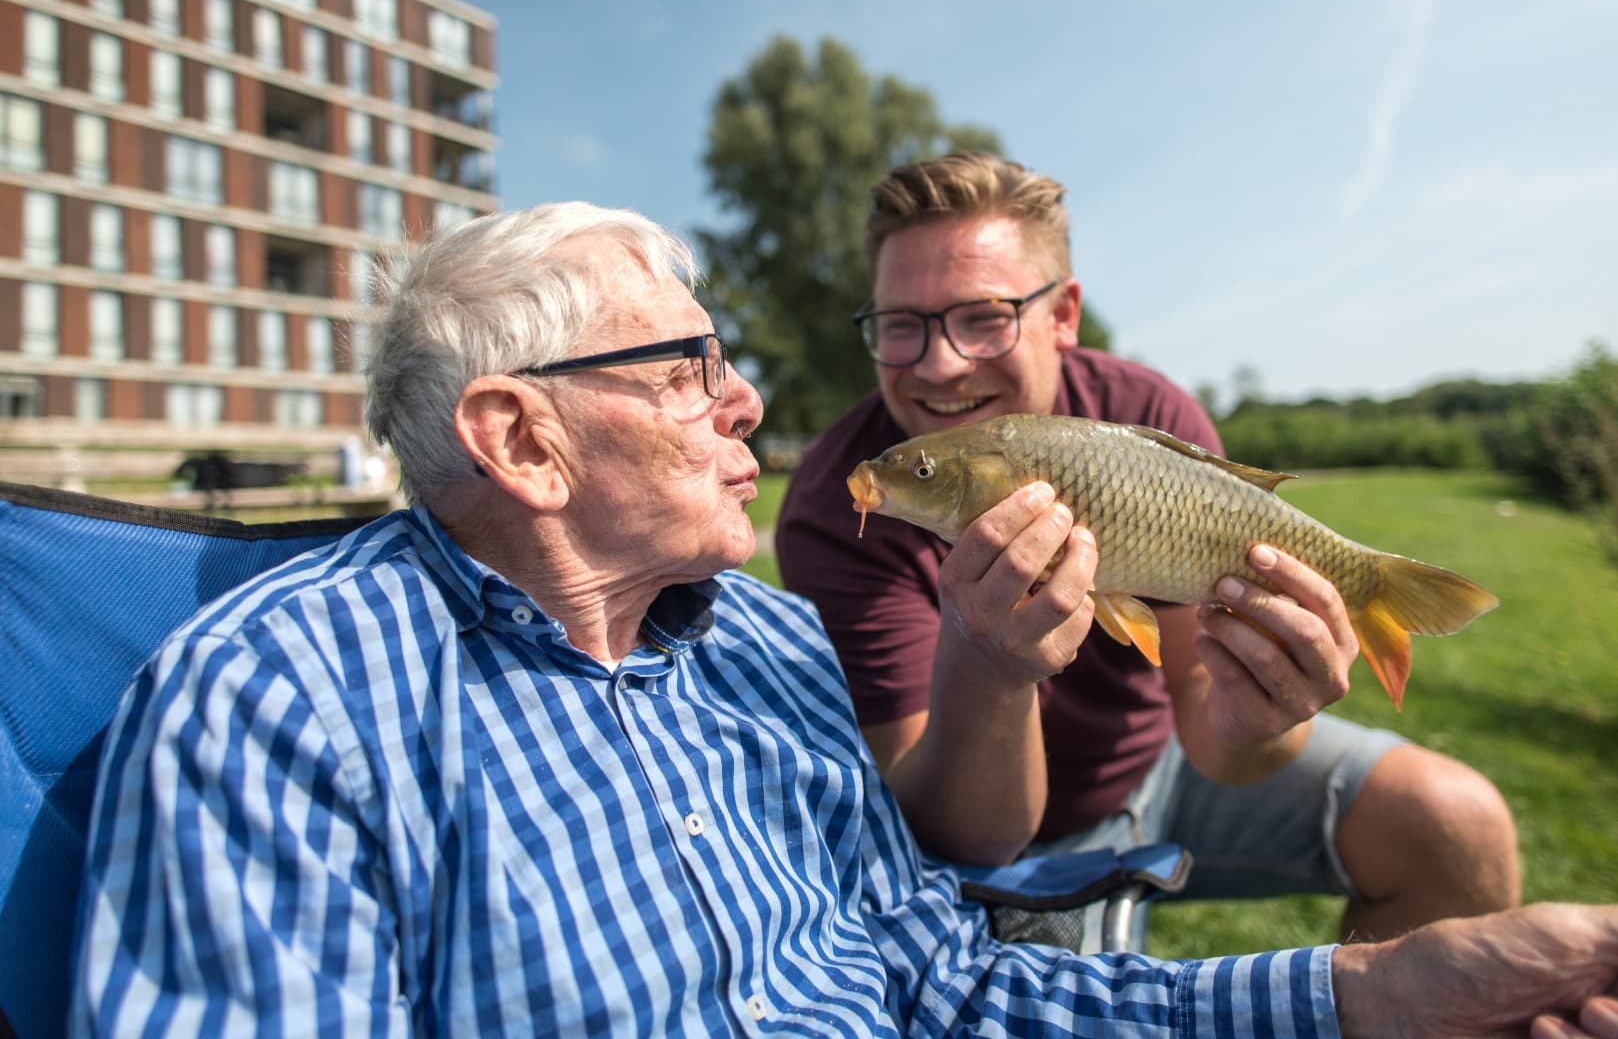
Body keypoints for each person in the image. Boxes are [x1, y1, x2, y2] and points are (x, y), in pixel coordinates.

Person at [71, 202, 1616, 1037]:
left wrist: (1366, 997)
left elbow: (947, 977)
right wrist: (989, 665)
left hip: (1130, 791)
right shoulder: (281, 701)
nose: (747, 399)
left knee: (1446, 831)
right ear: (522, 439)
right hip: (1036, 808)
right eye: (687, 367)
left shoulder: (762, 646)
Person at [776, 151, 1520, 941]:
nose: (940, 365)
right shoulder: (836, 509)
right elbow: (952, 826)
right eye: (901, 325)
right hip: (1011, 841)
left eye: (984, 317)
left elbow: (1213, 733)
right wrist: (990, 667)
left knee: (1457, 824)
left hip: (1172, 763)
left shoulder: (1147, 411)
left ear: (1063, 314)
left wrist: (1260, 717)